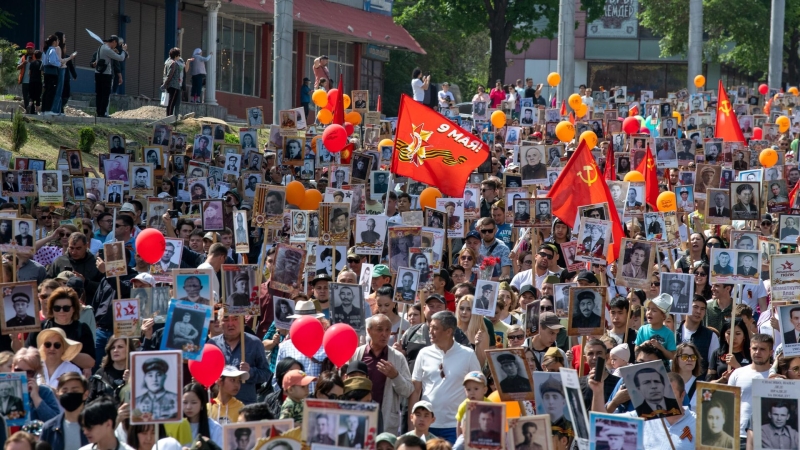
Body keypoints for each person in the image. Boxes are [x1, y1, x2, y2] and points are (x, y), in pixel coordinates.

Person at [410, 311, 481, 443]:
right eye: (430, 327)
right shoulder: (424, 353)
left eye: (435, 328)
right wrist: (411, 427)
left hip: (455, 426)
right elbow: (416, 389)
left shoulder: (468, 354)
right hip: (427, 425)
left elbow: (479, 389)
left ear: (448, 331)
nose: (430, 331)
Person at [94, 36, 128, 118]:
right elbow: (121, 58)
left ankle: (99, 112)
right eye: (115, 45)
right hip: (106, 74)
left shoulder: (101, 47)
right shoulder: (107, 49)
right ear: (114, 42)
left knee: (99, 94)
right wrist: (124, 50)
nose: (115, 47)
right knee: (105, 94)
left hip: (97, 73)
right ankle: (102, 113)